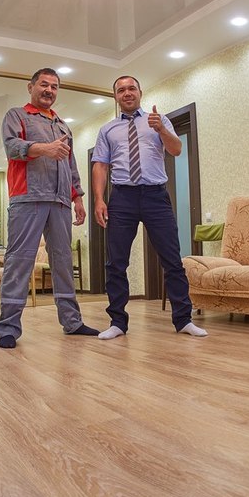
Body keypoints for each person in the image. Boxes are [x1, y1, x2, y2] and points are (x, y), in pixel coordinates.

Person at [91, 75, 207, 339]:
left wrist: (162, 130)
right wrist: (99, 199)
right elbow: (100, 165)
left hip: (156, 196)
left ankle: (183, 320)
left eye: (131, 88)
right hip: (122, 197)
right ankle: (117, 322)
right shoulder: (107, 130)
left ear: (140, 92)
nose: (127, 93)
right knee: (116, 263)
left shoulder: (159, 120)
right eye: (121, 90)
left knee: (172, 260)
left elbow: (176, 150)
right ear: (116, 97)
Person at [0, 68, 99, 348]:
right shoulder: (17, 115)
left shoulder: (63, 126)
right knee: (19, 261)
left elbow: (71, 165)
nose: (49, 90)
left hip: (61, 201)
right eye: (44, 84)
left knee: (62, 261)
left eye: (54, 86)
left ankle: (72, 322)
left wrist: (78, 198)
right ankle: (8, 328)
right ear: (31, 87)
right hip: (28, 198)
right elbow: (11, 147)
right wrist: (44, 149)